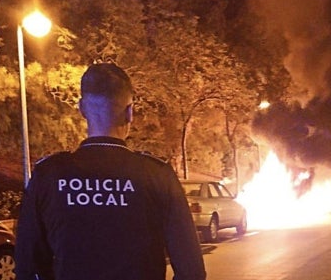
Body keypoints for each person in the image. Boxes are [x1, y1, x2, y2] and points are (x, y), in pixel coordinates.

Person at [15, 62, 207, 280]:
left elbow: (27, 266)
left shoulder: (48, 175)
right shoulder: (158, 175)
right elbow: (191, 271)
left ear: (82, 109)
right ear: (129, 112)